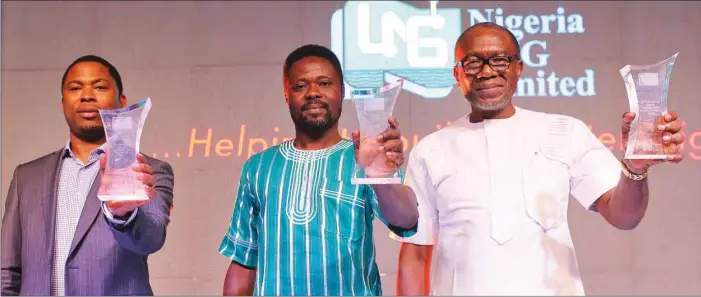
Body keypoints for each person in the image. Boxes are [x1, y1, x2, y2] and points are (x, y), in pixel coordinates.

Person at [393, 23, 686, 296]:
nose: (486, 72)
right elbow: (416, 256)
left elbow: (624, 216)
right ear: (457, 75)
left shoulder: (564, 130)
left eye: (499, 60)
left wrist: (634, 169)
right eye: (472, 62)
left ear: (518, 67)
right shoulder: (430, 150)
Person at [219, 44, 419, 296]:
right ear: (286, 94)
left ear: (342, 91)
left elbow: (406, 219)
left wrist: (379, 176)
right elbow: (244, 261)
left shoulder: (363, 158)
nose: (313, 93)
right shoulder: (258, 168)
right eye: (300, 86)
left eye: (324, 83)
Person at [1, 55, 175, 296]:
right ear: (63, 103)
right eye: (75, 88)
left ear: (122, 101)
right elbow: (7, 272)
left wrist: (120, 214)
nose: (86, 95)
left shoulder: (147, 169)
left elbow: (150, 239)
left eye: (100, 87)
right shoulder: (26, 177)